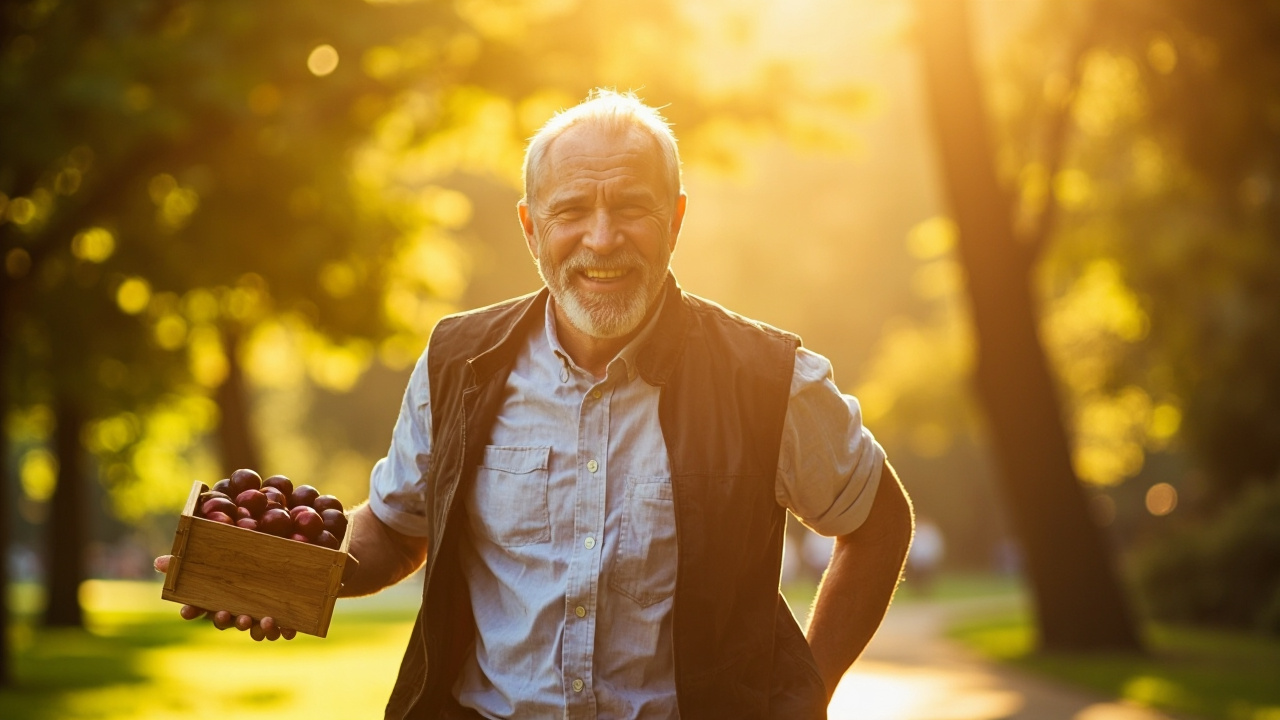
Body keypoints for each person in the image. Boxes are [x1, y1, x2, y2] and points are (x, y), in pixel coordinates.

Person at [156, 89, 913, 719]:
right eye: (572, 209)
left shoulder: (769, 376)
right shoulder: (459, 361)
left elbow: (879, 524)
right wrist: (283, 578)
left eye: (633, 208)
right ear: (530, 227)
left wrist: (808, 695)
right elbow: (395, 530)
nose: (603, 238)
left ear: (678, 219)